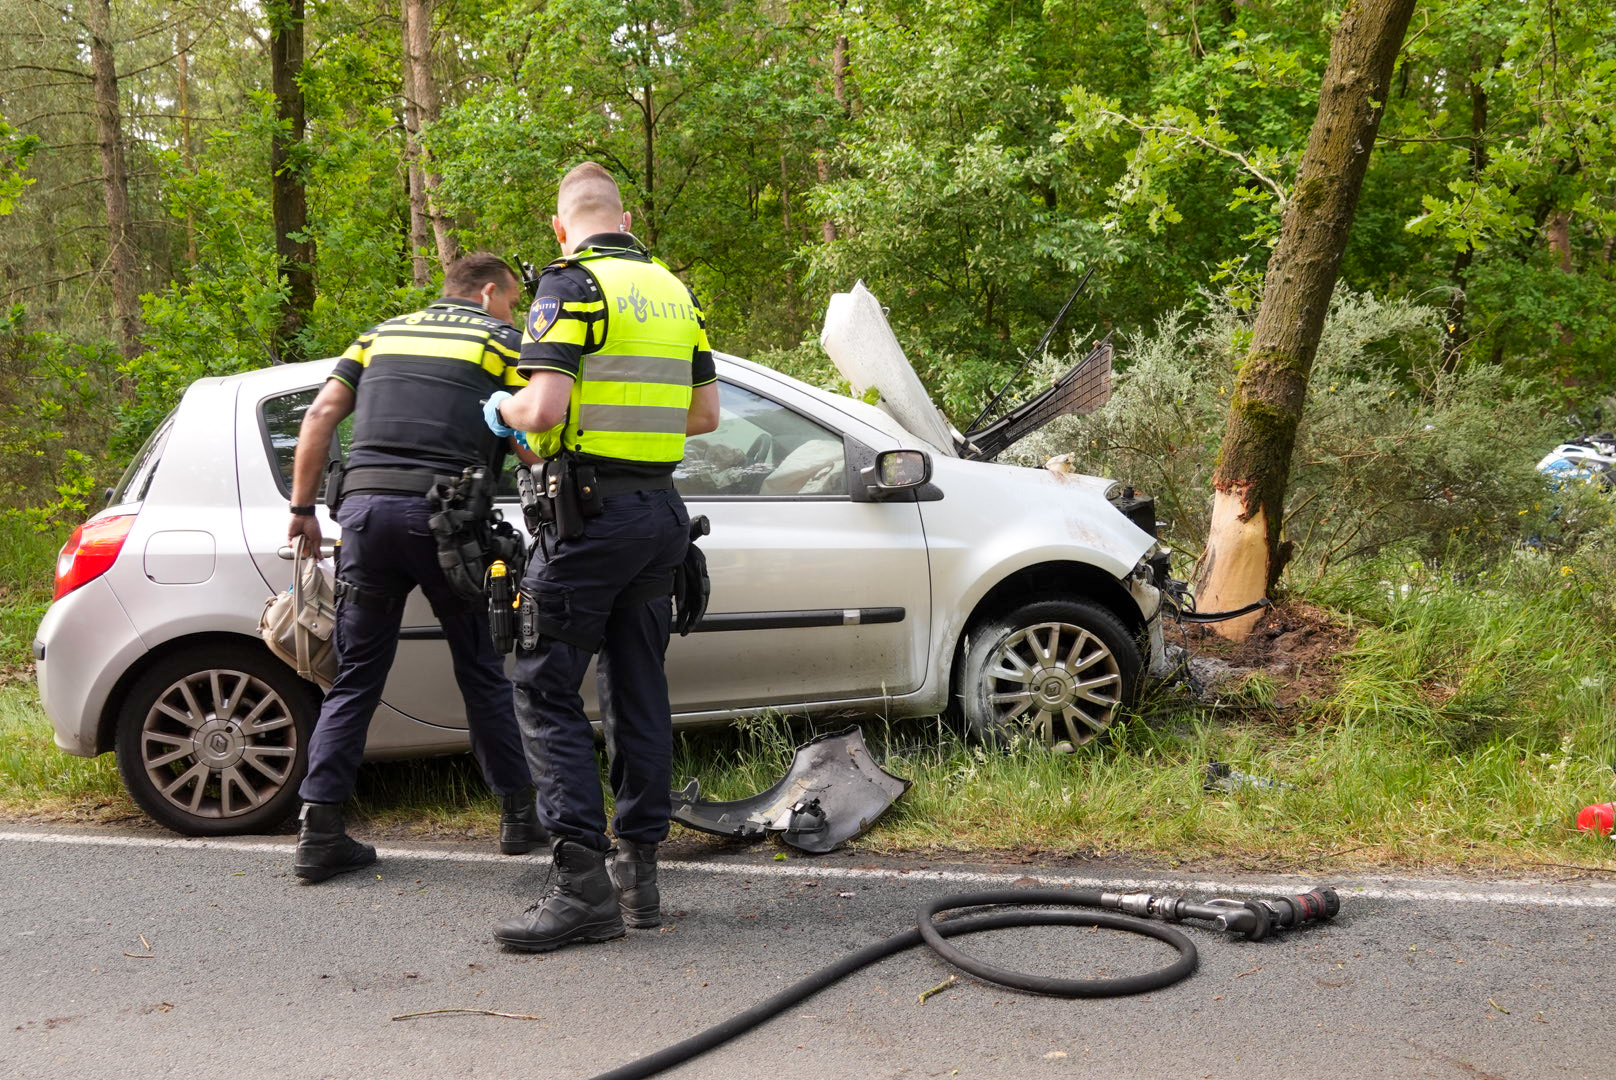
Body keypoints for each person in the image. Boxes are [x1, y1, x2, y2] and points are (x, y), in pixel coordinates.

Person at [482, 162, 720, 951]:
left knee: (541, 683)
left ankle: (580, 884)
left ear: (562, 226)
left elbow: (542, 406)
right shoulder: (673, 292)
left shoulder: (570, 285)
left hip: (587, 520)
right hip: (659, 513)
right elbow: (706, 414)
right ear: (625, 214)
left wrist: (504, 408)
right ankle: (638, 878)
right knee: (637, 686)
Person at [285, 253, 547, 883]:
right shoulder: (500, 341)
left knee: (355, 677)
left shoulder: (380, 335)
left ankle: (320, 831)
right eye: (511, 300)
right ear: (489, 294)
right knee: (481, 669)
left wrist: (302, 510)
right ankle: (518, 817)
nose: (511, 312)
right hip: (448, 523)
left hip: (367, 521)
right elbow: (527, 431)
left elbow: (320, 415)